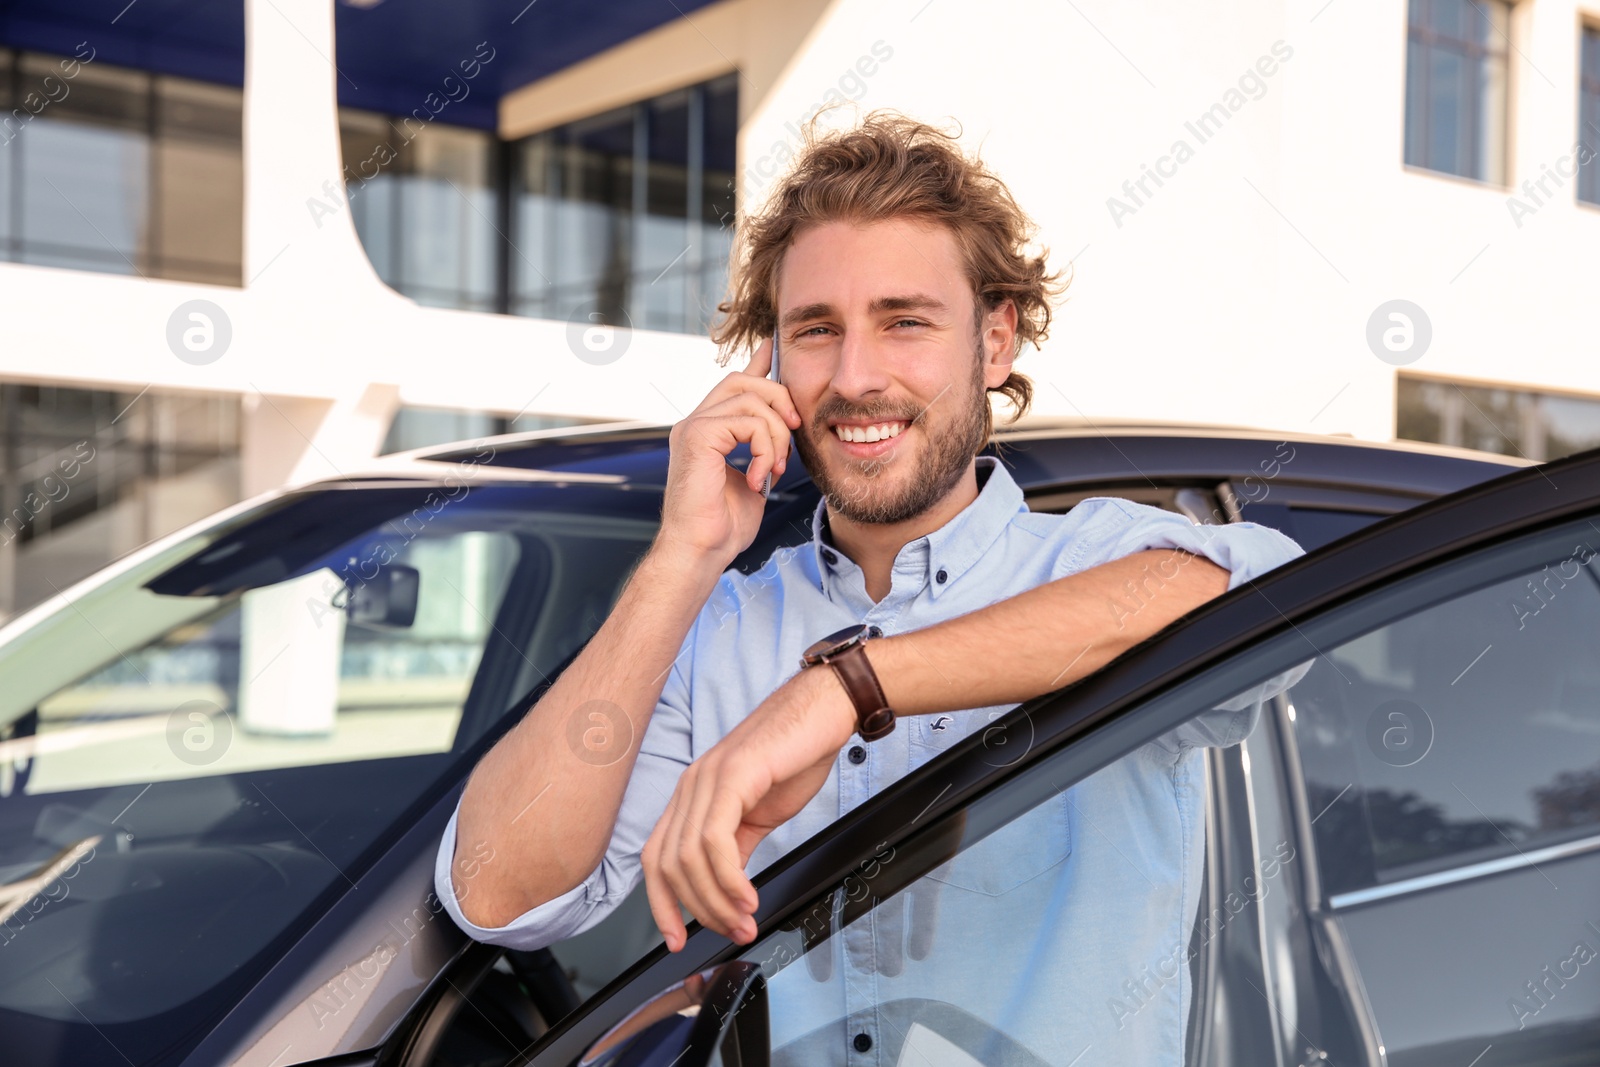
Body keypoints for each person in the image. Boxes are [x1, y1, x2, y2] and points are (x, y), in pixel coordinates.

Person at [436, 111, 1307, 1062]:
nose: (855, 377)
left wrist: (846, 690)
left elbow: (1270, 603)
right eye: (816, 330)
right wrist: (683, 557)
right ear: (769, 364)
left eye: (905, 322)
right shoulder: (720, 626)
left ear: (996, 340)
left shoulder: (1091, 561)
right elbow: (497, 893)